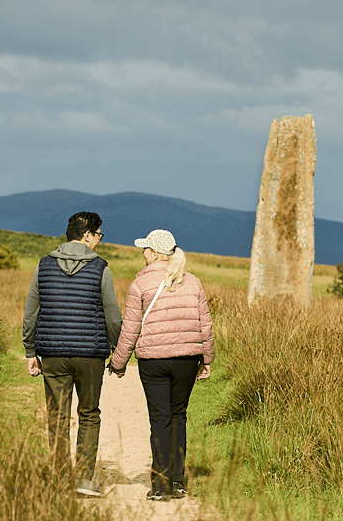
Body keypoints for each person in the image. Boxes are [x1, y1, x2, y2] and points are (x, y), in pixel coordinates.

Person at [107, 229, 214, 502]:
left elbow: (130, 329)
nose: (142, 253)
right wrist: (207, 359)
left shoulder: (140, 285)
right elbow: (205, 324)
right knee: (178, 415)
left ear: (155, 253)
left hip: (153, 361)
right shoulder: (193, 282)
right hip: (187, 360)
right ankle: (178, 482)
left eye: (145, 249)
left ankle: (160, 485)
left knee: (159, 419)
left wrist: (118, 362)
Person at [22, 211, 121, 497]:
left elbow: (31, 312)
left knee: (57, 416)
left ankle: (59, 477)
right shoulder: (101, 268)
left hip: (52, 354)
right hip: (90, 354)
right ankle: (84, 479)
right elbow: (113, 316)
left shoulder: (43, 265)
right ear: (87, 235)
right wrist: (118, 351)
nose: (99, 240)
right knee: (89, 414)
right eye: (98, 234)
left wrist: (30, 350)